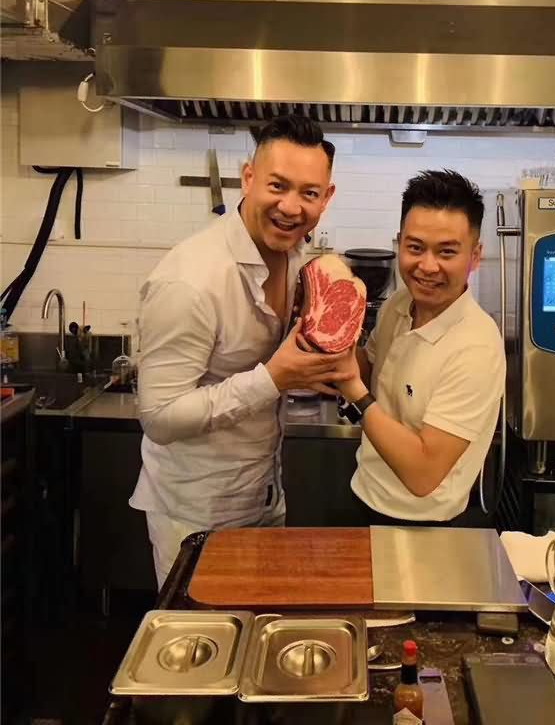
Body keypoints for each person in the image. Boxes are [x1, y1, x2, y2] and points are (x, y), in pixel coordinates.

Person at [130, 116, 353, 587]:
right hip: (196, 515)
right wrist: (273, 379)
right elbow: (159, 417)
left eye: (309, 193)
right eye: (278, 186)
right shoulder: (191, 280)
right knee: (202, 632)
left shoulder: (294, 257)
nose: (290, 207)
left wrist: (335, 275)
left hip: (265, 497)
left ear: (326, 198)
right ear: (248, 178)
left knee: (257, 627)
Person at [333, 169, 505, 526]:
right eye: (415, 248)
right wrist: (333, 336)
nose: (427, 266)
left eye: (446, 252)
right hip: (364, 491)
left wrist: (353, 390)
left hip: (426, 524)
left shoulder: (476, 346)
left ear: (475, 256)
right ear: (399, 244)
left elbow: (424, 474)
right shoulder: (398, 304)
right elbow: (369, 367)